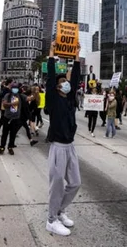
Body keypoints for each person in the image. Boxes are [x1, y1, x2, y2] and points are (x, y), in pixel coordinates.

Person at [45, 42, 81, 237]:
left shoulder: (69, 100)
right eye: (63, 83)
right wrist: (51, 54)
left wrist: (76, 56)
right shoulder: (53, 99)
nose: (66, 84)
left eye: (67, 83)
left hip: (70, 146)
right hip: (58, 147)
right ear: (58, 88)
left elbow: (74, 79)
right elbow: (51, 78)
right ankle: (51, 220)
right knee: (57, 184)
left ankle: (59, 211)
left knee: (75, 183)